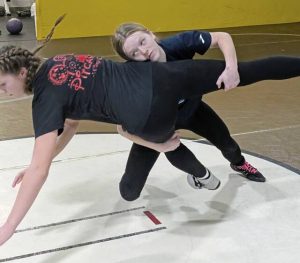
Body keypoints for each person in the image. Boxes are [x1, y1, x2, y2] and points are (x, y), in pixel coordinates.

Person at [1, 17, 300, 246]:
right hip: (161, 78)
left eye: (3, 85)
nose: (4, 93)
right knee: (250, 71)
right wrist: (36, 164)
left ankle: (204, 177)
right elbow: (71, 124)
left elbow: (41, 170)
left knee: (164, 140)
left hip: (146, 116)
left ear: (22, 72)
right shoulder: (59, 61)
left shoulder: (44, 100)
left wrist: (8, 228)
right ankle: (201, 173)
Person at [111, 23, 260, 201]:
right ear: (131, 60)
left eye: (143, 42)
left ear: (150, 33)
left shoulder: (179, 45)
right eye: (134, 53)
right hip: (156, 126)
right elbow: (121, 128)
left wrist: (231, 69)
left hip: (192, 111)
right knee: (128, 192)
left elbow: (222, 36)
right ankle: (196, 173)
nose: (143, 52)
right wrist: (158, 146)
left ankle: (240, 164)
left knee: (229, 146)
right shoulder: (132, 77)